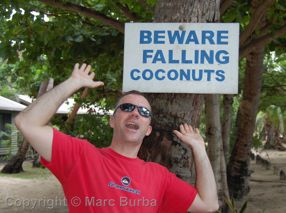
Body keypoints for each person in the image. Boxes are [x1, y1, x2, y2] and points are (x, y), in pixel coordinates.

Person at [14, 63, 219, 213]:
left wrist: (199, 148)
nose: (135, 114)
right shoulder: (81, 156)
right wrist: (72, 83)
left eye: (144, 112)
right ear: (112, 121)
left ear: (148, 130)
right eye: (127, 108)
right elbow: (27, 122)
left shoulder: (160, 176)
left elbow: (209, 205)